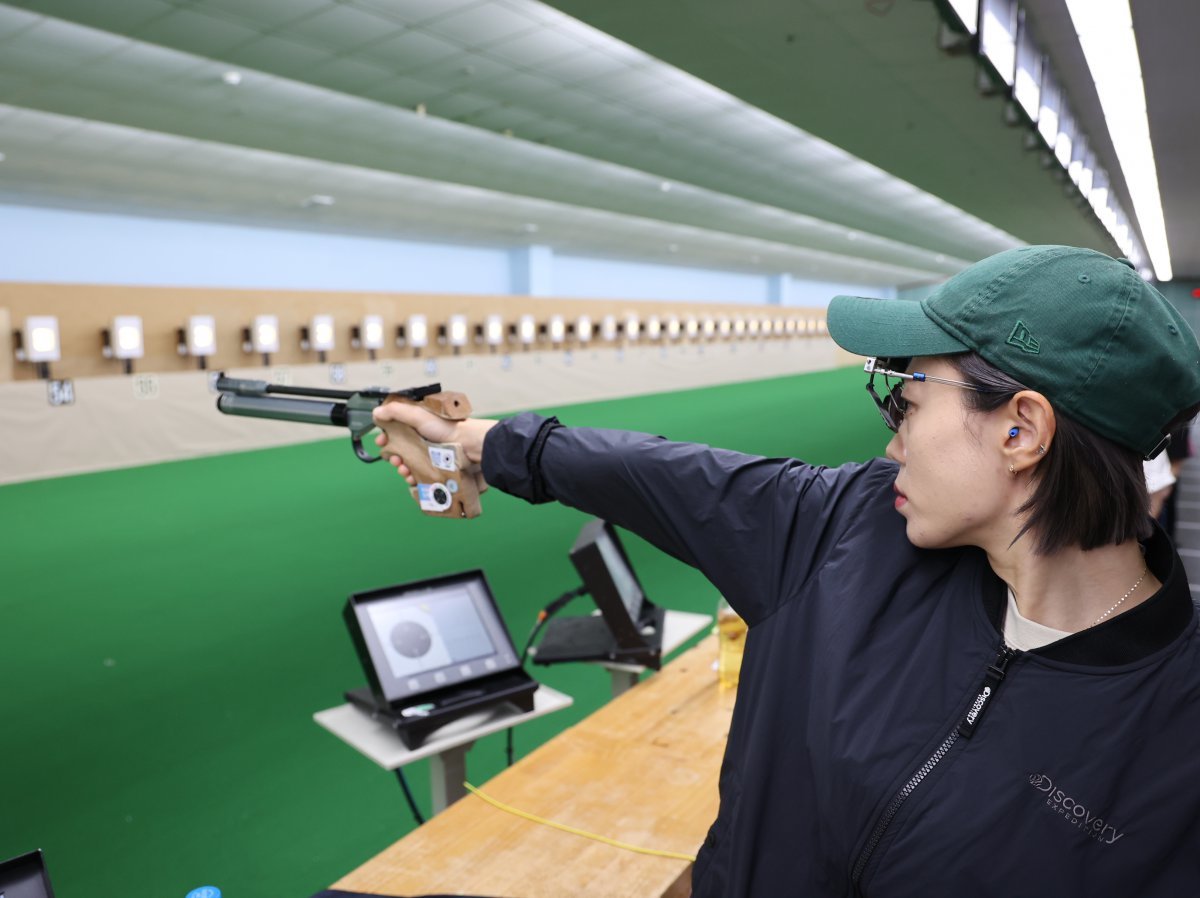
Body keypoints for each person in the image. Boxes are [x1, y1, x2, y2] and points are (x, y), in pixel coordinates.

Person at [373, 245, 1200, 897]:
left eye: (905, 402)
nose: (892, 442)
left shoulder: (1177, 744)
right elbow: (658, 474)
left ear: (1022, 430)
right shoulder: (851, 527)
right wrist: (476, 446)